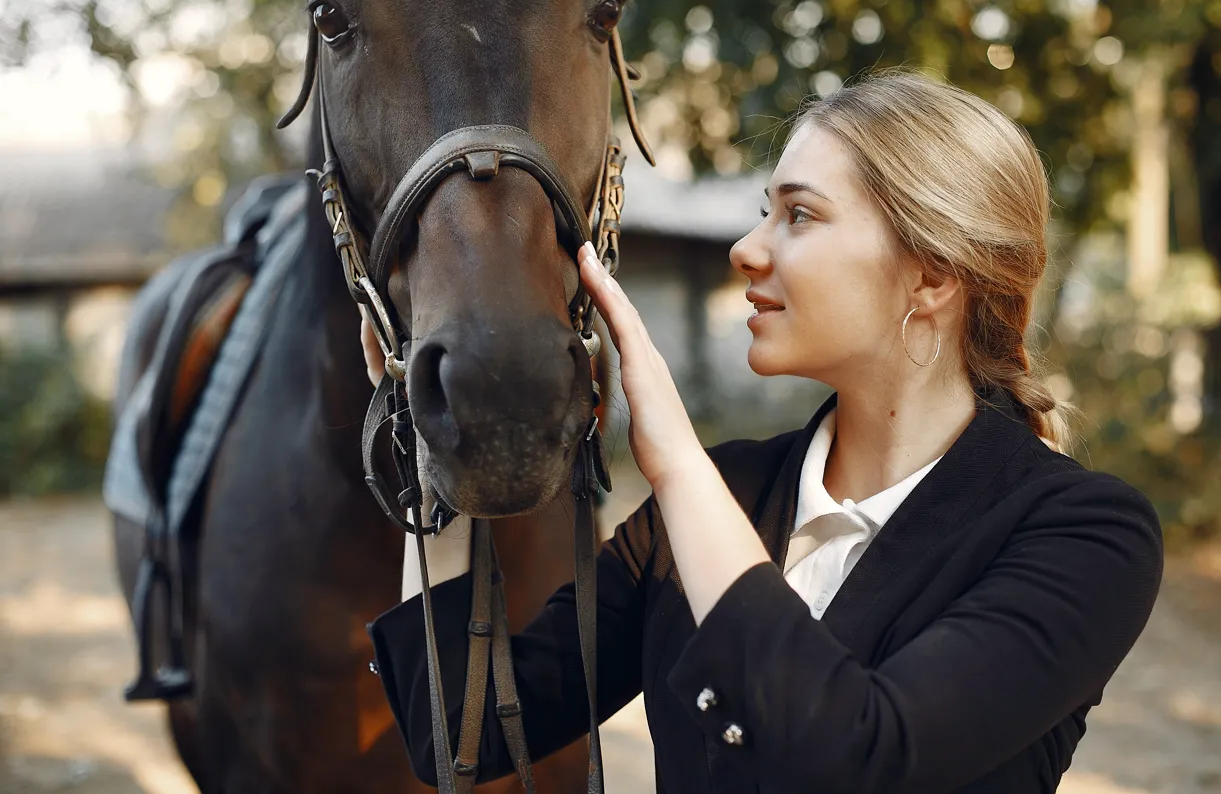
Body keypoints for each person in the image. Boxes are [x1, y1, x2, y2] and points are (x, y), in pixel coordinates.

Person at [362, 71, 1164, 793]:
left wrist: (673, 461)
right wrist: (438, 428)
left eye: (799, 216)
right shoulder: (726, 495)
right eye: (761, 214)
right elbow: (459, 735)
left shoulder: (1085, 534)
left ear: (933, 274)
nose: (747, 250)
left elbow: (861, 752)